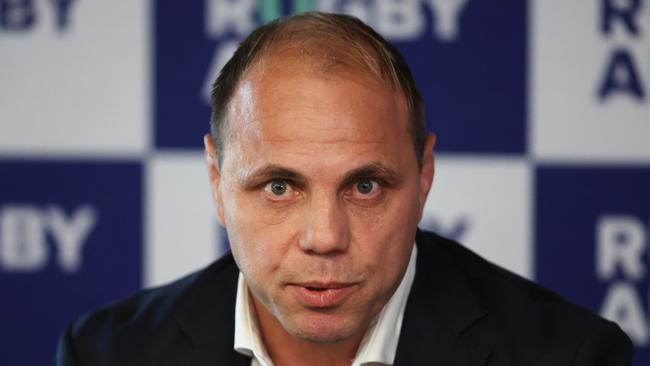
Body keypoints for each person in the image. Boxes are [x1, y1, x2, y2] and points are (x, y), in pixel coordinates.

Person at [54, 12, 633, 366]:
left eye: (365, 185)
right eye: (279, 186)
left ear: (424, 175)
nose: (325, 238)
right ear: (216, 181)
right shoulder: (107, 354)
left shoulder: (570, 357)